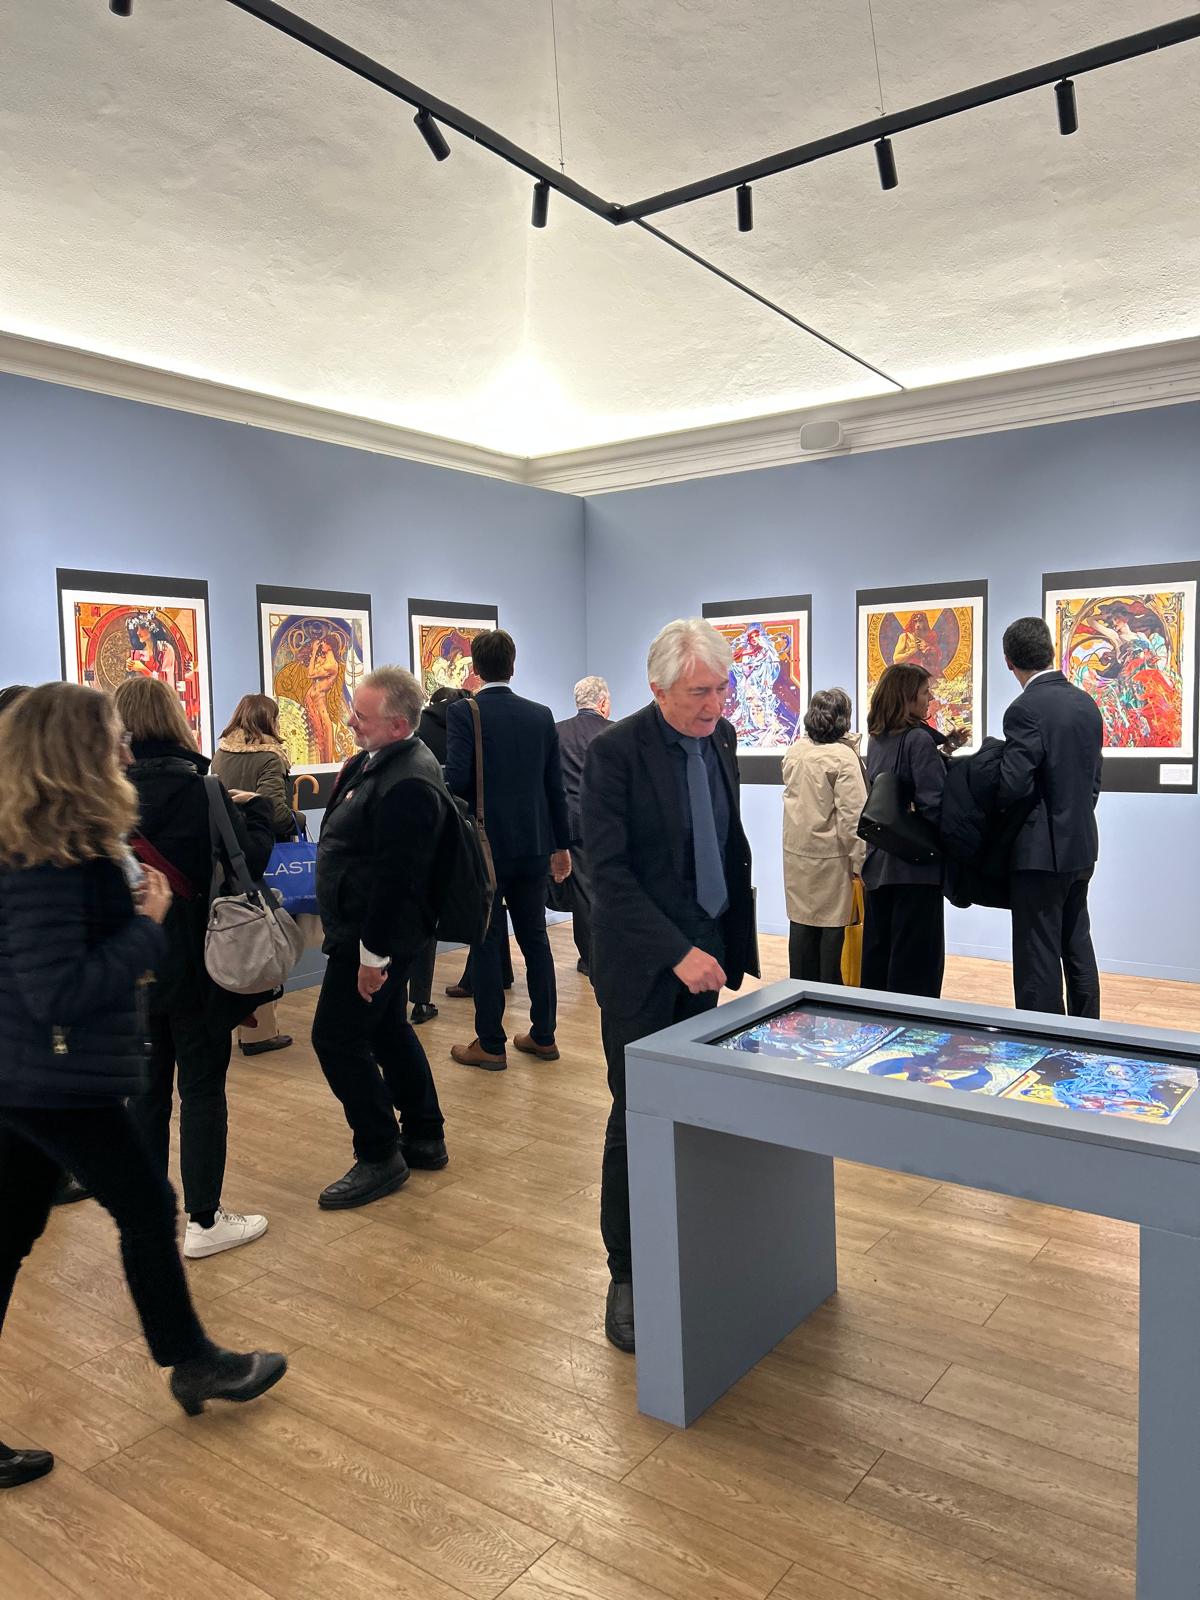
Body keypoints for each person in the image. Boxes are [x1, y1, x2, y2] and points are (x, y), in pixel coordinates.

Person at [0, 683, 285, 1488]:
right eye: (111, 739)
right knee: (148, 1207)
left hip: (34, 1072)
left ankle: (191, 1360)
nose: (125, 750)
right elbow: (59, 991)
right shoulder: (48, 859)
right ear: (75, 752)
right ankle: (192, 1360)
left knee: (12, 1234)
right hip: (50, 1076)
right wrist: (144, 928)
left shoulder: (54, 842)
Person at [583, 618, 758, 1353]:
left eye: (721, 688)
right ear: (657, 689)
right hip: (643, 966)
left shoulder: (721, 739)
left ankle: (682, 1238)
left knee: (688, 1105)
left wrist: (723, 943)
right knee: (635, 1113)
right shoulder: (615, 752)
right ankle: (626, 1272)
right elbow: (609, 875)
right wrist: (676, 950)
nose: (713, 704)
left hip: (704, 958)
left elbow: (725, 843)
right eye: (697, 693)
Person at [114, 677, 274, 1259]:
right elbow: (249, 861)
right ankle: (204, 1220)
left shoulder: (103, 798)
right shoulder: (203, 790)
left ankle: (146, 1215)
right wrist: (257, 813)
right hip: (200, 959)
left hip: (133, 962)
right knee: (202, 1089)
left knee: (147, 1095)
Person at [312, 667, 450, 1209]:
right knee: (388, 1029)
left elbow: (398, 879)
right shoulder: (380, 762)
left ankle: (378, 1152)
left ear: (397, 725)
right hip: (369, 930)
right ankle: (424, 1133)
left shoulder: (408, 780)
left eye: (362, 716)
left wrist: (373, 956)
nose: (350, 722)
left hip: (373, 936)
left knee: (335, 1039)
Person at [446, 631, 571, 1070]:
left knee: (486, 941)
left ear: (475, 669)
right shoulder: (541, 715)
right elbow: (554, 787)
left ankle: (490, 1043)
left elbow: (459, 778)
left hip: (486, 848)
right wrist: (561, 845)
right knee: (535, 939)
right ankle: (544, 1036)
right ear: (513, 666)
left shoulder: (465, 712)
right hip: (534, 844)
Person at [997, 616, 1104, 1016]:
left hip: (1039, 854)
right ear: (1051, 651)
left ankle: (1044, 1039)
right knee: (1077, 943)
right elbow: (1094, 780)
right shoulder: (1086, 703)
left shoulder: (1024, 709)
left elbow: (1013, 784)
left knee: (1037, 955)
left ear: (1009, 661)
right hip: (1081, 845)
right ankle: (1087, 1030)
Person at [211, 693, 296, 1056]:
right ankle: (260, 1033)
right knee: (263, 938)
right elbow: (274, 810)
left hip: (227, 858)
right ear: (269, 720)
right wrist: (296, 819)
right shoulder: (271, 757)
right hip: (263, 855)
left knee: (239, 936)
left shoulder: (221, 753)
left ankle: (241, 1023)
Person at [860, 663, 947, 999]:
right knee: (914, 972)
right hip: (915, 870)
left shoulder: (878, 740)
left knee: (880, 964)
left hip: (880, 865)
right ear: (908, 697)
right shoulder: (918, 740)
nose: (930, 698)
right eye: (925, 692)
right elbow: (933, 804)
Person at [781, 688, 867, 982]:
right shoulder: (842, 757)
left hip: (796, 855)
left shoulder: (796, 751)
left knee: (801, 929)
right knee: (832, 938)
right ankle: (828, 1002)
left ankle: (797, 998)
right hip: (832, 859)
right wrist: (862, 863)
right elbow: (853, 818)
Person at [552, 675, 611, 976]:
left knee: (583, 896)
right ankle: (602, 959)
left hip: (570, 825)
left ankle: (589, 958)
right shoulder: (614, 733)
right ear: (603, 703)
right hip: (606, 825)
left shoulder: (557, 732)